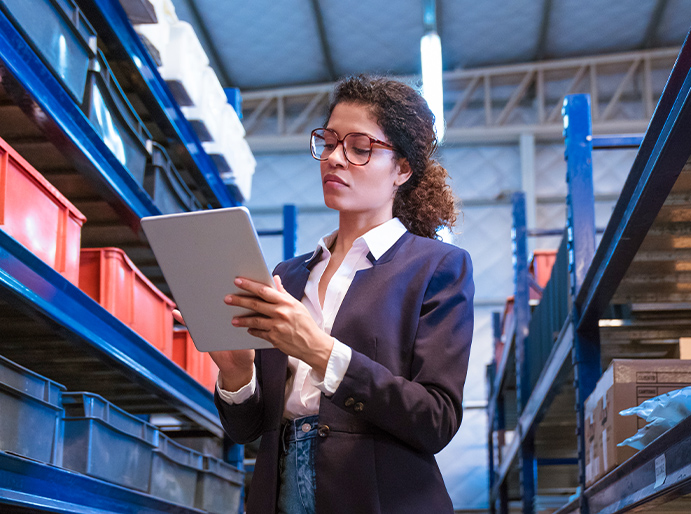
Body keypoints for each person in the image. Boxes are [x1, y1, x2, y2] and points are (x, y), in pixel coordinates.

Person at [179, 75, 474, 513]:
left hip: (377, 497)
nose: (335, 159)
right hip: (279, 491)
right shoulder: (287, 276)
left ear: (402, 169)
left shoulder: (436, 267)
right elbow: (249, 430)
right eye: (329, 142)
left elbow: (436, 419)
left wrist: (320, 351)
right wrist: (238, 373)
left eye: (360, 148)